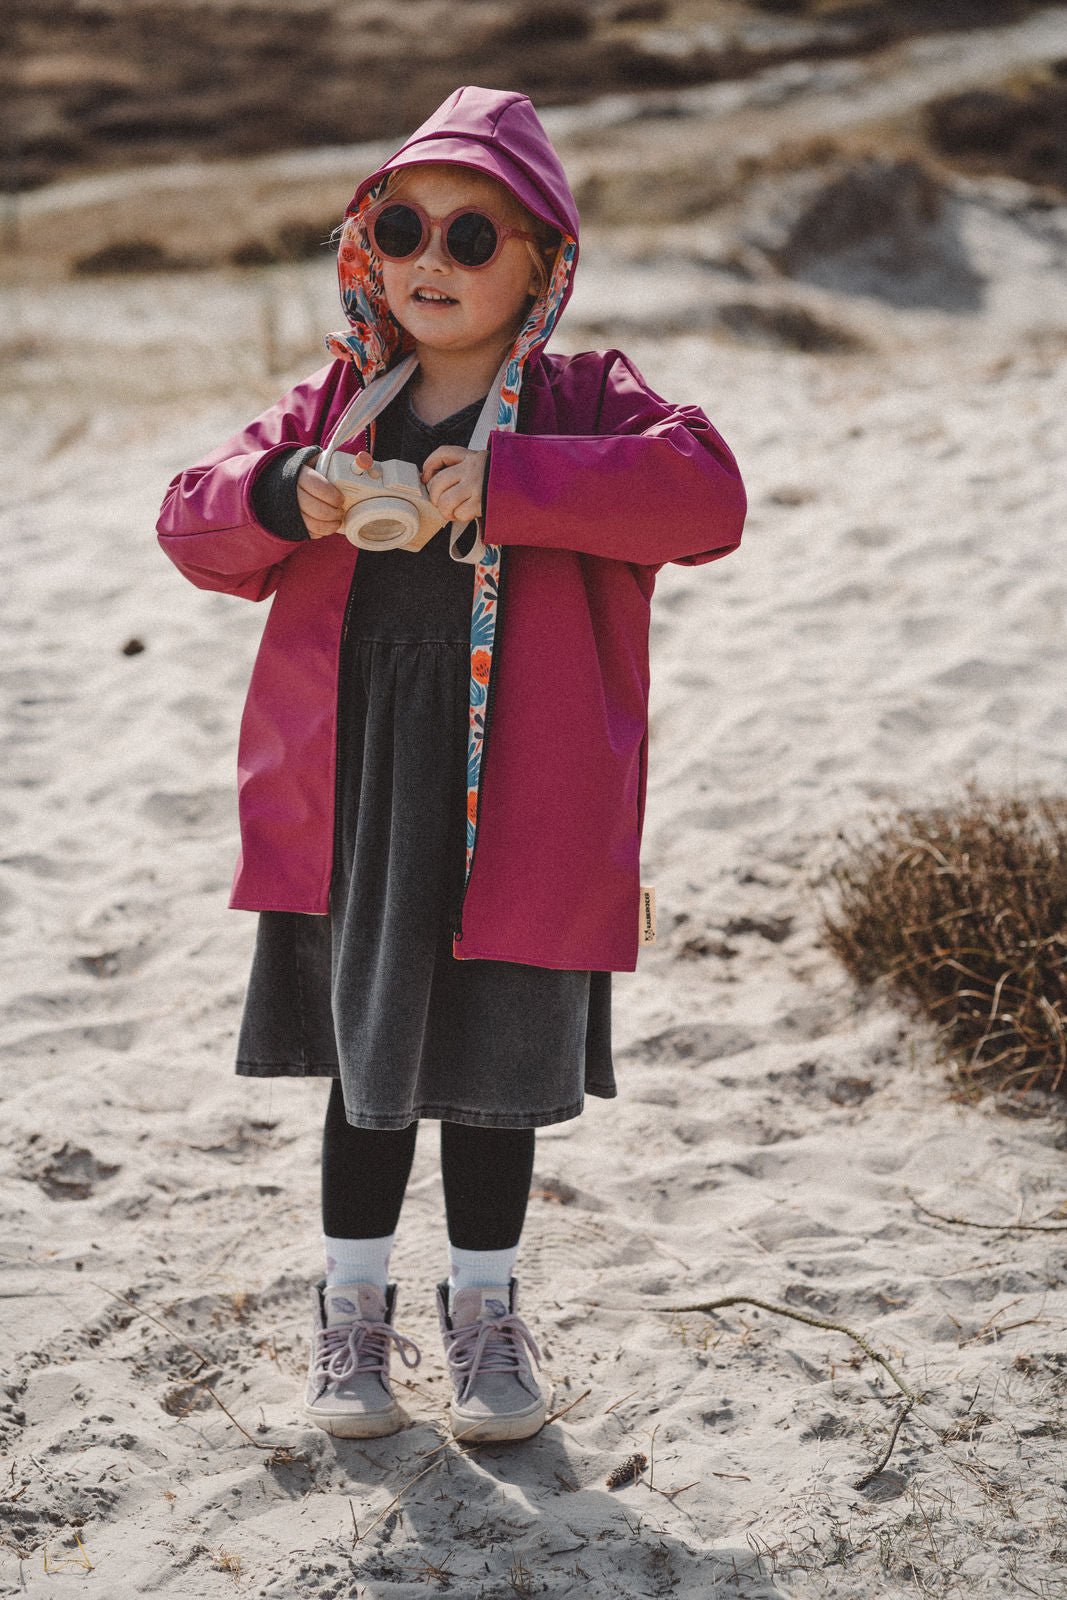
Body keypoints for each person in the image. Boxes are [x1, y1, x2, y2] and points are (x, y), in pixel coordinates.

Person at [156, 85, 746, 1445]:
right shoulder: (340, 403)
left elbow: (707, 497)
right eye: (406, 226)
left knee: (490, 1057)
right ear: (371, 244)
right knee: (370, 1055)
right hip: (361, 789)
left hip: (527, 796)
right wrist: (278, 490)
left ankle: (486, 1314)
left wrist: (523, 481)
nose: (434, 260)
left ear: (543, 262)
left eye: (474, 239)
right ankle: (350, 1315)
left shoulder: (589, 402)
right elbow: (191, 530)